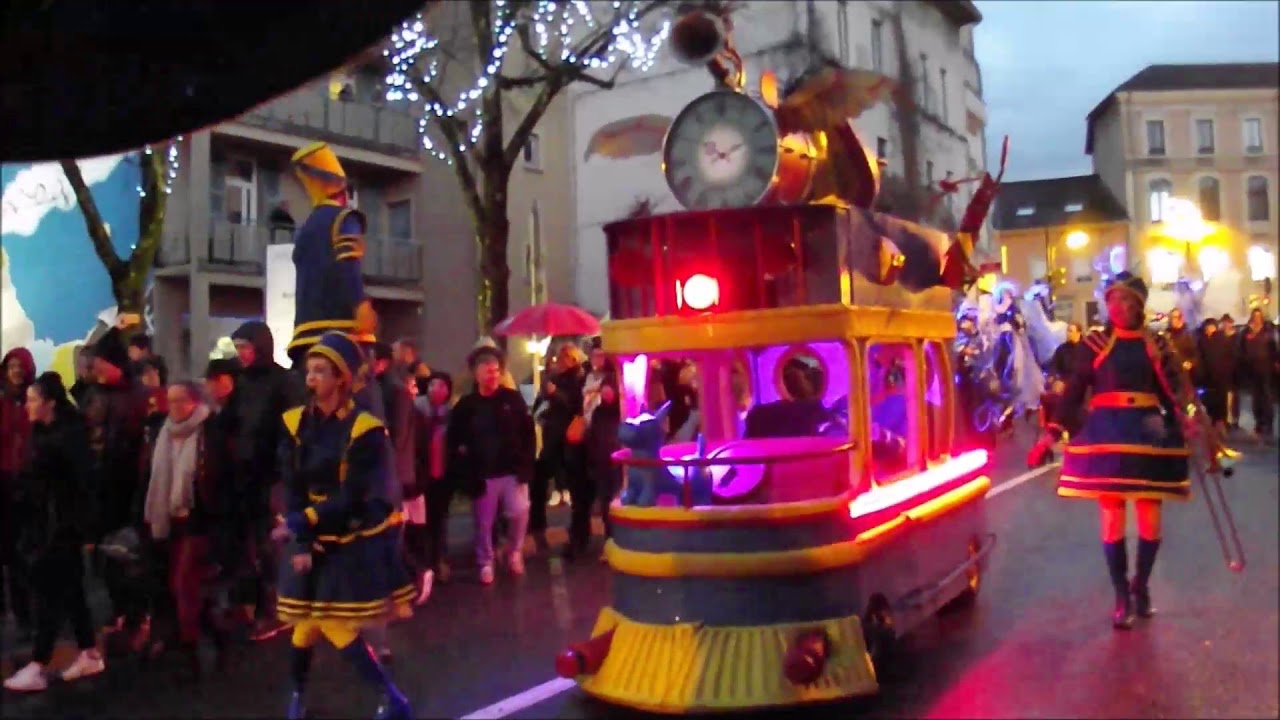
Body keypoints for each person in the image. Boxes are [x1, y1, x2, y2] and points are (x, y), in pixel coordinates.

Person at [271, 332, 414, 720]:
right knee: (304, 626)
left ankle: (391, 696)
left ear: (342, 379)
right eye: (309, 371)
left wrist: (304, 523)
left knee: (327, 621)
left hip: (348, 534)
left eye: (321, 371)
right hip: (309, 532)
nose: (311, 378)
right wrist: (300, 540)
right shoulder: (295, 423)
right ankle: (303, 697)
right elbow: (293, 484)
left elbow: (354, 495)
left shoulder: (364, 428)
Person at [1056, 272, 1196, 630]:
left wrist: (1186, 420)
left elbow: (1171, 394)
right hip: (1107, 433)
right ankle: (1121, 595)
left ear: (1138, 305)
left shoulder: (1157, 345)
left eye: (1124, 300)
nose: (1116, 307)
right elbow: (1075, 389)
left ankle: (1141, 586)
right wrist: (1056, 427)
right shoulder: (1096, 343)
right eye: (1111, 300)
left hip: (1147, 436)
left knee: (1149, 517)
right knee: (1112, 516)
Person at [3, 373, 103, 693]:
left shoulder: (66, 439)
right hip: (47, 525)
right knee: (71, 592)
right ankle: (89, 652)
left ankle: (39, 663)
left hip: (59, 528)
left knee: (50, 595)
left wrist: (82, 529)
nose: (28, 406)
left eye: (33, 400)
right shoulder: (42, 434)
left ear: (49, 403)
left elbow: (81, 487)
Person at [143, 380, 232, 679]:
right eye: (171, 400)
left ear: (196, 401)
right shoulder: (163, 432)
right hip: (170, 519)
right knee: (184, 587)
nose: (175, 406)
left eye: (182, 400)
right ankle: (218, 636)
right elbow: (152, 477)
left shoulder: (211, 431)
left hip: (200, 521)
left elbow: (222, 480)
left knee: (183, 584)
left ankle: (190, 654)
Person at [230, 321, 304, 641]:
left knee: (270, 544)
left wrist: (283, 469)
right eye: (237, 349)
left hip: (273, 475)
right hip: (246, 474)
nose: (241, 355)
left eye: (245, 347)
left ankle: (274, 608)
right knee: (249, 543)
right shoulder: (243, 382)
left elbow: (294, 429)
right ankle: (253, 604)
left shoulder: (284, 382)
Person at [447, 345, 536, 585]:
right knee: (484, 522)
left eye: (496, 371)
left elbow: (528, 433)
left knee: (519, 511)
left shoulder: (512, 399)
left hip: (512, 470)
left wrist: (526, 465)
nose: (493, 376)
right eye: (488, 371)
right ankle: (485, 561)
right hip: (483, 474)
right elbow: (454, 441)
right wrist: (464, 472)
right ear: (476, 374)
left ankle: (514, 551)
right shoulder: (466, 406)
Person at [284, 142, 378, 366]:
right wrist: (361, 305)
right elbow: (349, 265)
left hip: (304, 336)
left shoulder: (306, 228)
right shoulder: (344, 218)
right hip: (341, 335)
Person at [1, 347, 36, 642]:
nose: (15, 371)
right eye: (11, 366)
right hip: (2, 482)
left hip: (25, 485)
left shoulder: (33, 402)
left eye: (19, 366)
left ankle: (25, 614)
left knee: (20, 555)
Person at [416, 371, 454, 587]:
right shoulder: (417, 410)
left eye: (441, 385)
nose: (436, 389)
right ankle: (424, 563)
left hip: (443, 475)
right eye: (432, 385)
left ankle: (439, 559)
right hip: (422, 475)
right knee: (422, 522)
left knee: (440, 520)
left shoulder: (449, 413)